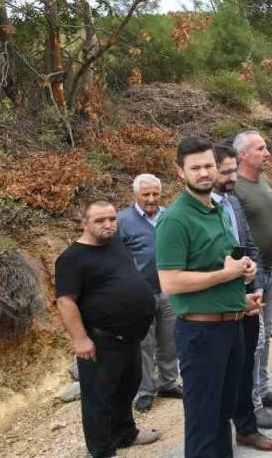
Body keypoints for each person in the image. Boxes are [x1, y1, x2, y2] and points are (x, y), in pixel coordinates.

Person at [155, 137, 263, 458]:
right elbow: (170, 282)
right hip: (201, 335)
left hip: (231, 327)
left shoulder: (218, 209)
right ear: (180, 172)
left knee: (221, 420)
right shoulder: (174, 219)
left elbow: (221, 264)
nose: (204, 173)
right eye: (195, 167)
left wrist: (241, 282)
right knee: (203, 427)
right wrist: (227, 275)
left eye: (208, 165)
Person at [55, 200, 160, 458]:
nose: (108, 225)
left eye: (112, 219)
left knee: (128, 387)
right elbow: (65, 301)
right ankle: (102, 450)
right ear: (85, 223)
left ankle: (125, 433)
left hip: (130, 337)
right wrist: (80, 339)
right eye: (100, 220)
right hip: (101, 340)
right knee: (99, 399)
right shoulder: (71, 258)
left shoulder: (115, 243)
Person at [211, 145, 272, 451]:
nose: (232, 177)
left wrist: (258, 284)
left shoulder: (233, 202)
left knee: (244, 362)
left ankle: (246, 428)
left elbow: (249, 244)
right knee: (220, 372)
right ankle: (217, 436)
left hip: (247, 296)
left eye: (233, 170)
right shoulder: (199, 210)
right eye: (226, 172)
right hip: (215, 303)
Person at [230, 130, 272, 421]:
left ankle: (263, 389)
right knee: (253, 341)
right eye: (260, 148)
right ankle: (252, 404)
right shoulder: (236, 190)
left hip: (269, 270)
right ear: (243, 154)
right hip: (251, 275)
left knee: (265, 336)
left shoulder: (264, 182)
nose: (267, 153)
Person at [116, 174, 180, 412]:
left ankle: (169, 382)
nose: (151, 199)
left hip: (170, 289)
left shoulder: (170, 216)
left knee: (170, 339)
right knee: (144, 344)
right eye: (146, 195)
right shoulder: (122, 221)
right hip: (140, 294)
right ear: (136, 195)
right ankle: (146, 390)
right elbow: (117, 258)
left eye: (155, 194)